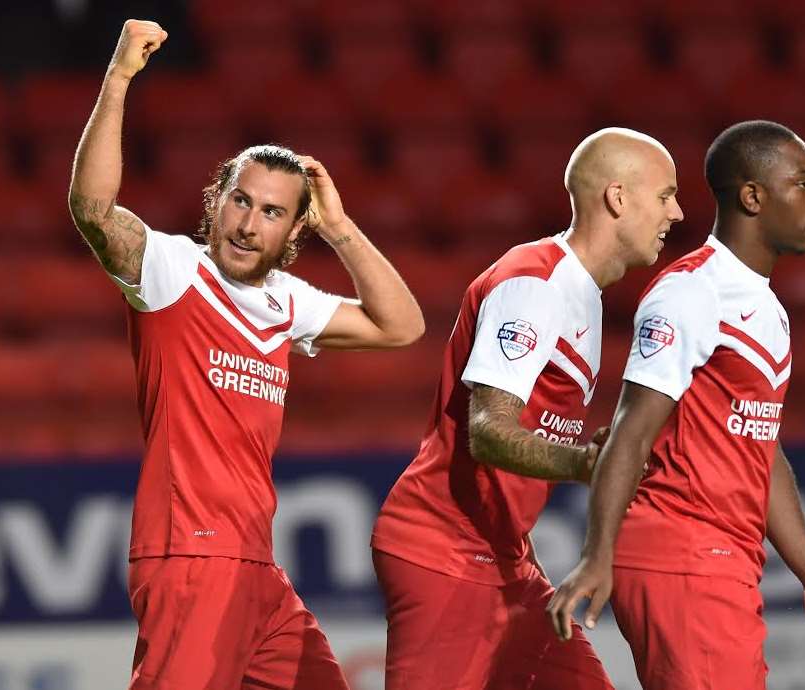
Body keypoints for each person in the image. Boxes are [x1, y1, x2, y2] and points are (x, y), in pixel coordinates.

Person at [68, 20, 424, 690]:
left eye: (270, 212)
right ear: (215, 201)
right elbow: (92, 209)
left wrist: (341, 228)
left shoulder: (288, 301)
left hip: (257, 568)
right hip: (190, 555)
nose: (246, 222)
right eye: (239, 200)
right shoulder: (171, 270)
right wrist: (117, 78)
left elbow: (400, 326)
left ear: (295, 229)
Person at [546, 120, 805, 689]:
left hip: (721, 563)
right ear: (753, 196)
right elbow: (630, 431)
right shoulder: (690, 293)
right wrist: (598, 553)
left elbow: (758, 447)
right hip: (683, 556)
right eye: (801, 182)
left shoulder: (765, 308)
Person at [371, 127, 684, 689]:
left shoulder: (580, 292)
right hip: (445, 552)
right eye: (665, 195)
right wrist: (588, 464)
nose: (678, 212)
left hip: (504, 562)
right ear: (618, 197)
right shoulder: (537, 284)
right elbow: (487, 432)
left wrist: (526, 556)